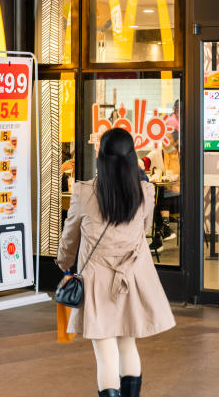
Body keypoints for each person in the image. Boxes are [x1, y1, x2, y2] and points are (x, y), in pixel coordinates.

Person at [57, 128, 175, 397]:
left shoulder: (84, 193)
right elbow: (143, 229)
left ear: (101, 156)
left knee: (106, 353)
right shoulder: (145, 192)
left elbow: (69, 238)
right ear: (133, 157)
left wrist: (64, 264)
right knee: (127, 345)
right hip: (131, 278)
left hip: (97, 281)